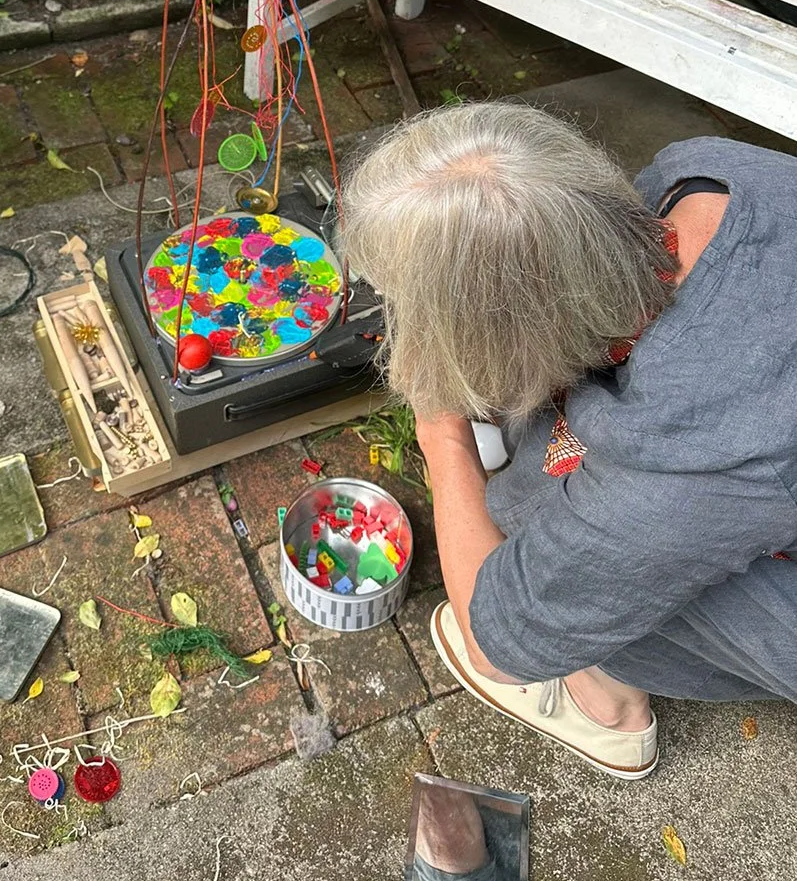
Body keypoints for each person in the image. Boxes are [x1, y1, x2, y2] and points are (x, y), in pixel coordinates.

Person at [341, 101, 797, 779]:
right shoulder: (709, 171)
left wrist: (442, 439)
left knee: (531, 511)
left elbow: (498, 640)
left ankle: (607, 706)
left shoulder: (686, 461)